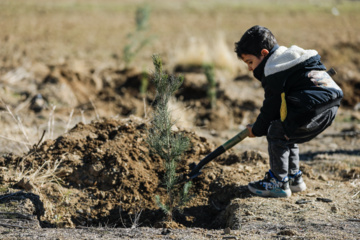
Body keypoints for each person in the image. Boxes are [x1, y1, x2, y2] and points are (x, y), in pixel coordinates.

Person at [234, 25, 343, 198]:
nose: (249, 68)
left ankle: (278, 182)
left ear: (263, 53)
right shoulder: (290, 58)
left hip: (312, 109)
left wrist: (256, 129)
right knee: (286, 130)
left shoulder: (274, 70)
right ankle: (294, 178)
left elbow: (271, 108)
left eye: (250, 62)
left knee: (276, 132)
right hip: (331, 105)